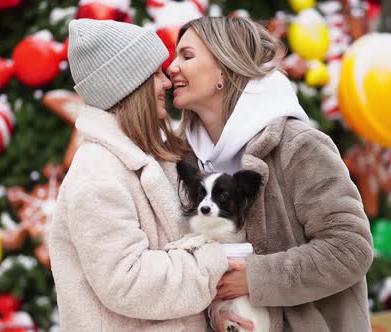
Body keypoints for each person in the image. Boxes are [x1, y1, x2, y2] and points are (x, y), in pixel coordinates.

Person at [167, 16, 374, 331]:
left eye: (187, 56)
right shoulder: (187, 161)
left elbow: (350, 247)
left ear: (223, 68)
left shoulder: (298, 146)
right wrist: (219, 312)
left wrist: (256, 277)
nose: (172, 68)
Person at [49, 19, 234, 331]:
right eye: (156, 74)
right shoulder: (97, 175)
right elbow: (127, 281)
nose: (166, 83)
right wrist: (215, 262)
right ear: (129, 85)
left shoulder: (147, 156)